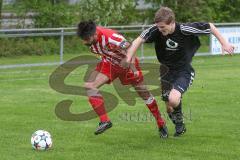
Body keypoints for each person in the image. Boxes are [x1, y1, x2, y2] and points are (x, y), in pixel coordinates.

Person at [121, 7, 234, 137]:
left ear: (172, 23)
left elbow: (210, 26)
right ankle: (178, 121)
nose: (160, 30)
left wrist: (224, 43)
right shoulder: (155, 29)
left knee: (173, 99)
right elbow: (139, 40)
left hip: (183, 70)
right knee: (169, 107)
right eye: (158, 27)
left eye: (163, 27)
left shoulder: (185, 29)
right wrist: (128, 58)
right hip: (165, 71)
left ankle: (179, 123)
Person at [77, 20, 168, 138]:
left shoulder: (110, 37)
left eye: (86, 39)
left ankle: (161, 123)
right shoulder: (91, 40)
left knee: (144, 93)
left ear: (94, 34)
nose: (84, 42)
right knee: (89, 86)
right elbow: (103, 52)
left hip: (127, 64)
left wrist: (134, 69)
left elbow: (130, 47)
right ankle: (105, 121)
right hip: (110, 64)